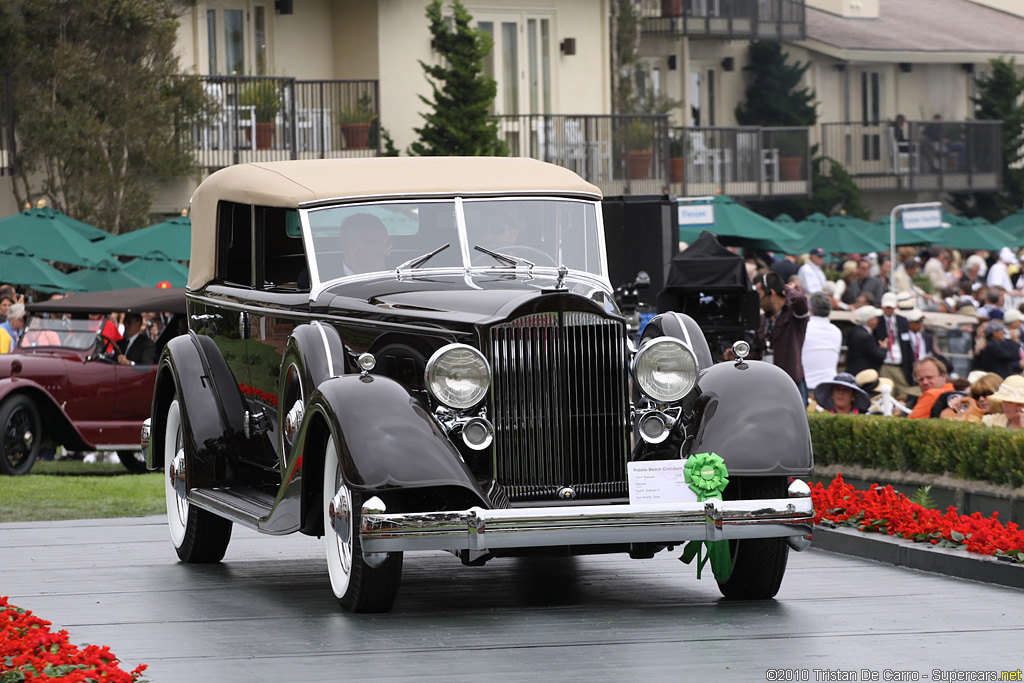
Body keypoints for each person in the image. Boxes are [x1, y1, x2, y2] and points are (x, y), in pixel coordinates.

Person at [749, 271, 809, 404]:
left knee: (793, 425)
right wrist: (735, 358)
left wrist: (786, 288)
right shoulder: (763, 320)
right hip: (765, 385)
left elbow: (800, 299)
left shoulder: (794, 315)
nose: (757, 300)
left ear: (771, 292)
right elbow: (756, 353)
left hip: (791, 385)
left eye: (759, 294)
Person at [801, 291, 842, 394]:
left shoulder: (804, 328)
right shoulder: (836, 331)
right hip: (829, 386)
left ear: (810, 308)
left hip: (807, 386)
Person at [874, 292, 911, 398]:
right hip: (885, 363)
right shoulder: (877, 321)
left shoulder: (902, 321)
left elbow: (907, 345)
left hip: (900, 363)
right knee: (886, 393)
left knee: (904, 392)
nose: (888, 310)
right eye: (887, 307)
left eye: (891, 307)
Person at [844, 305, 887, 377]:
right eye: (875, 318)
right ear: (870, 320)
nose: (877, 320)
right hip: (862, 375)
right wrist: (884, 348)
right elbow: (879, 357)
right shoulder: (865, 337)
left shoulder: (855, 331)